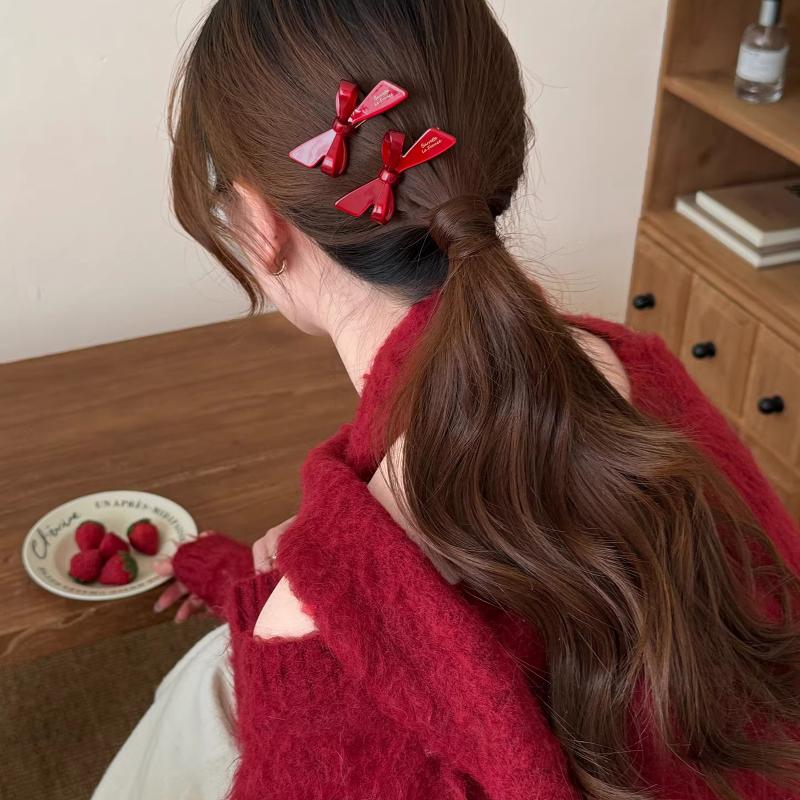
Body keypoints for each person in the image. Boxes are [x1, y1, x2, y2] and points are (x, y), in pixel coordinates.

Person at [91, 1, 800, 799]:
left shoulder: (326, 654)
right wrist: (269, 578)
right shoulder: (637, 367)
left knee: (191, 695)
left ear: (259, 223)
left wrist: (291, 605)